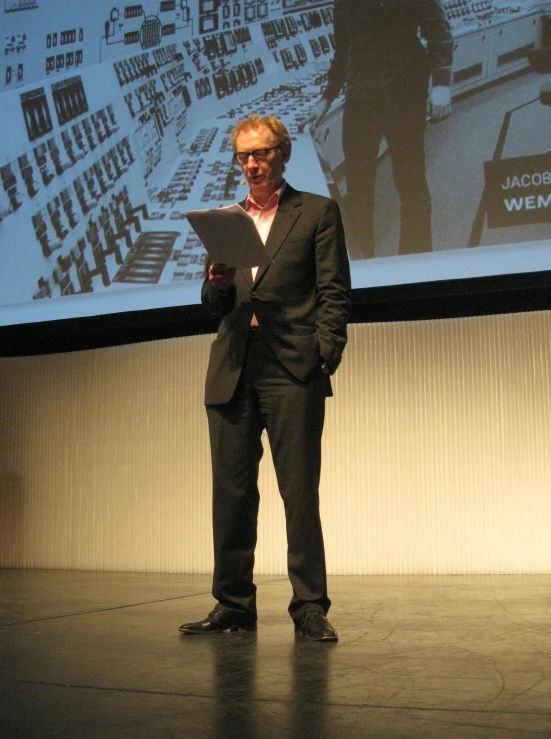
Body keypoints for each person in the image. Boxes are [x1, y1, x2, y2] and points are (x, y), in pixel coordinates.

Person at [179, 114, 351, 641]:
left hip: (291, 367)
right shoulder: (228, 221)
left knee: (299, 493)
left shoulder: (317, 212)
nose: (251, 164)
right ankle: (233, 604)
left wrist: (323, 354)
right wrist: (217, 282)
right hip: (233, 366)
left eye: (261, 153)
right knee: (231, 494)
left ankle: (308, 606)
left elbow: (334, 292)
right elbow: (214, 305)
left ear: (284, 154)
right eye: (243, 156)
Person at [309, 0, 453, 259]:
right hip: (361, 94)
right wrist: (326, 99)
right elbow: (343, 52)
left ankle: (417, 268)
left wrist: (441, 83)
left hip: (405, 90)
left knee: (411, 183)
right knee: (357, 189)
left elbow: (438, 30)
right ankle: (365, 271)